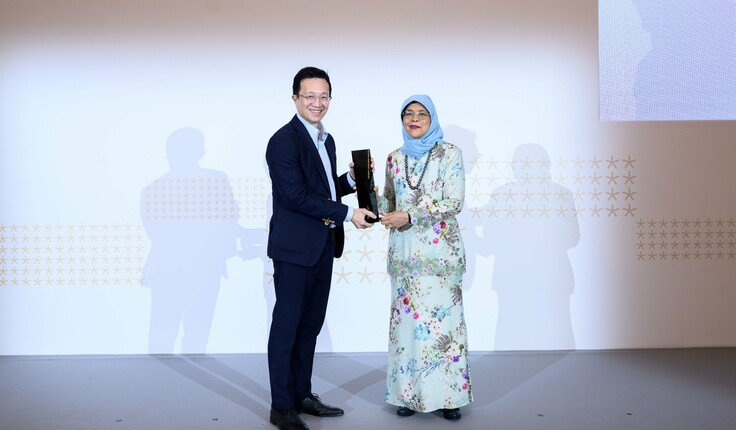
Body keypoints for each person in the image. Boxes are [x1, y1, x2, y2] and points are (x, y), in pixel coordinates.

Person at [264, 66, 376, 430]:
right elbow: (295, 196)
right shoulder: (283, 141)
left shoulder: (325, 140)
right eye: (309, 95)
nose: (317, 102)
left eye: (323, 96)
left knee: (310, 325)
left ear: (330, 98)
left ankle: (302, 395)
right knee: (287, 327)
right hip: (294, 250)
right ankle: (281, 407)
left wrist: (353, 178)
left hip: (322, 246)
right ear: (294, 97)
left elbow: (322, 189)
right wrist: (347, 213)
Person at [378, 95, 472, 420]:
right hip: (404, 258)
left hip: (439, 259)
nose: (414, 119)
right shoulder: (393, 158)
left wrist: (411, 215)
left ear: (432, 119)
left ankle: (449, 399)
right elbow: (387, 205)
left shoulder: (450, 154)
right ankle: (408, 396)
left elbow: (454, 201)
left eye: (421, 114)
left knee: (444, 330)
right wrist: (364, 184)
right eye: (408, 114)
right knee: (406, 331)